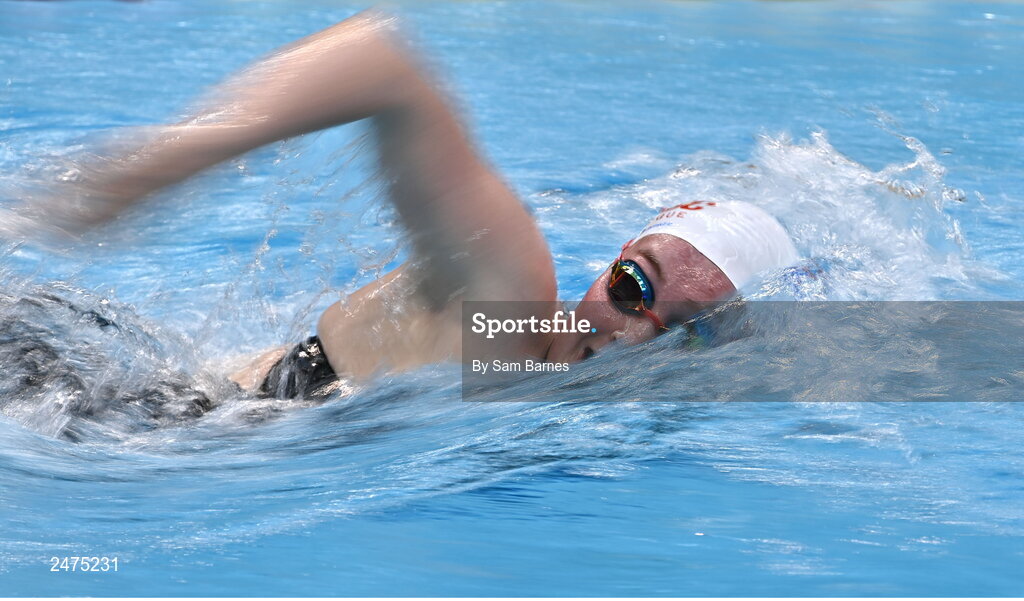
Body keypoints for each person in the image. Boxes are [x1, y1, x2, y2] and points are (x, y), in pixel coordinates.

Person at [20, 11, 798, 400]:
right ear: (613, 259)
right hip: (106, 400)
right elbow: (381, 61)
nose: (631, 334)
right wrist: (154, 169)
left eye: (685, 337)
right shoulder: (511, 301)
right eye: (633, 285)